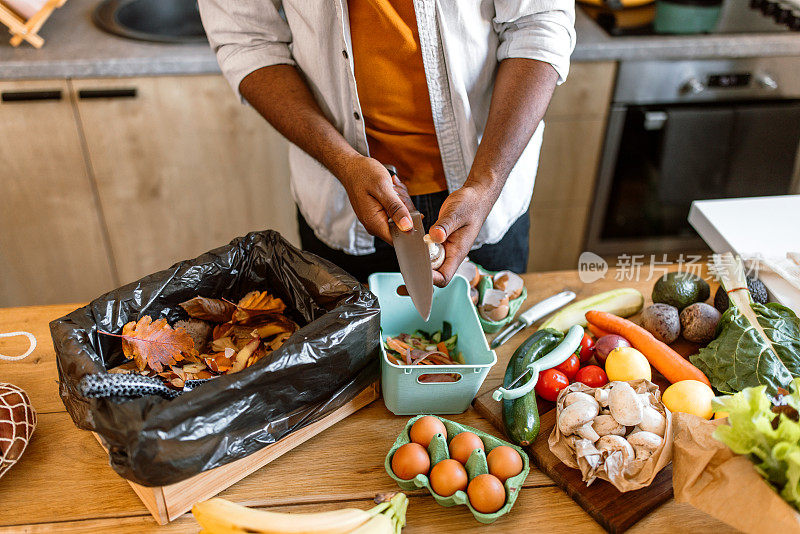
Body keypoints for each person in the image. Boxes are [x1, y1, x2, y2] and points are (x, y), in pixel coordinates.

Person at [198, 1, 575, 285]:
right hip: (341, 197)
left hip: (487, 193)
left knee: (487, 356)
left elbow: (538, 23)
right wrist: (343, 162)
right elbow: (247, 40)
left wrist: (485, 183)